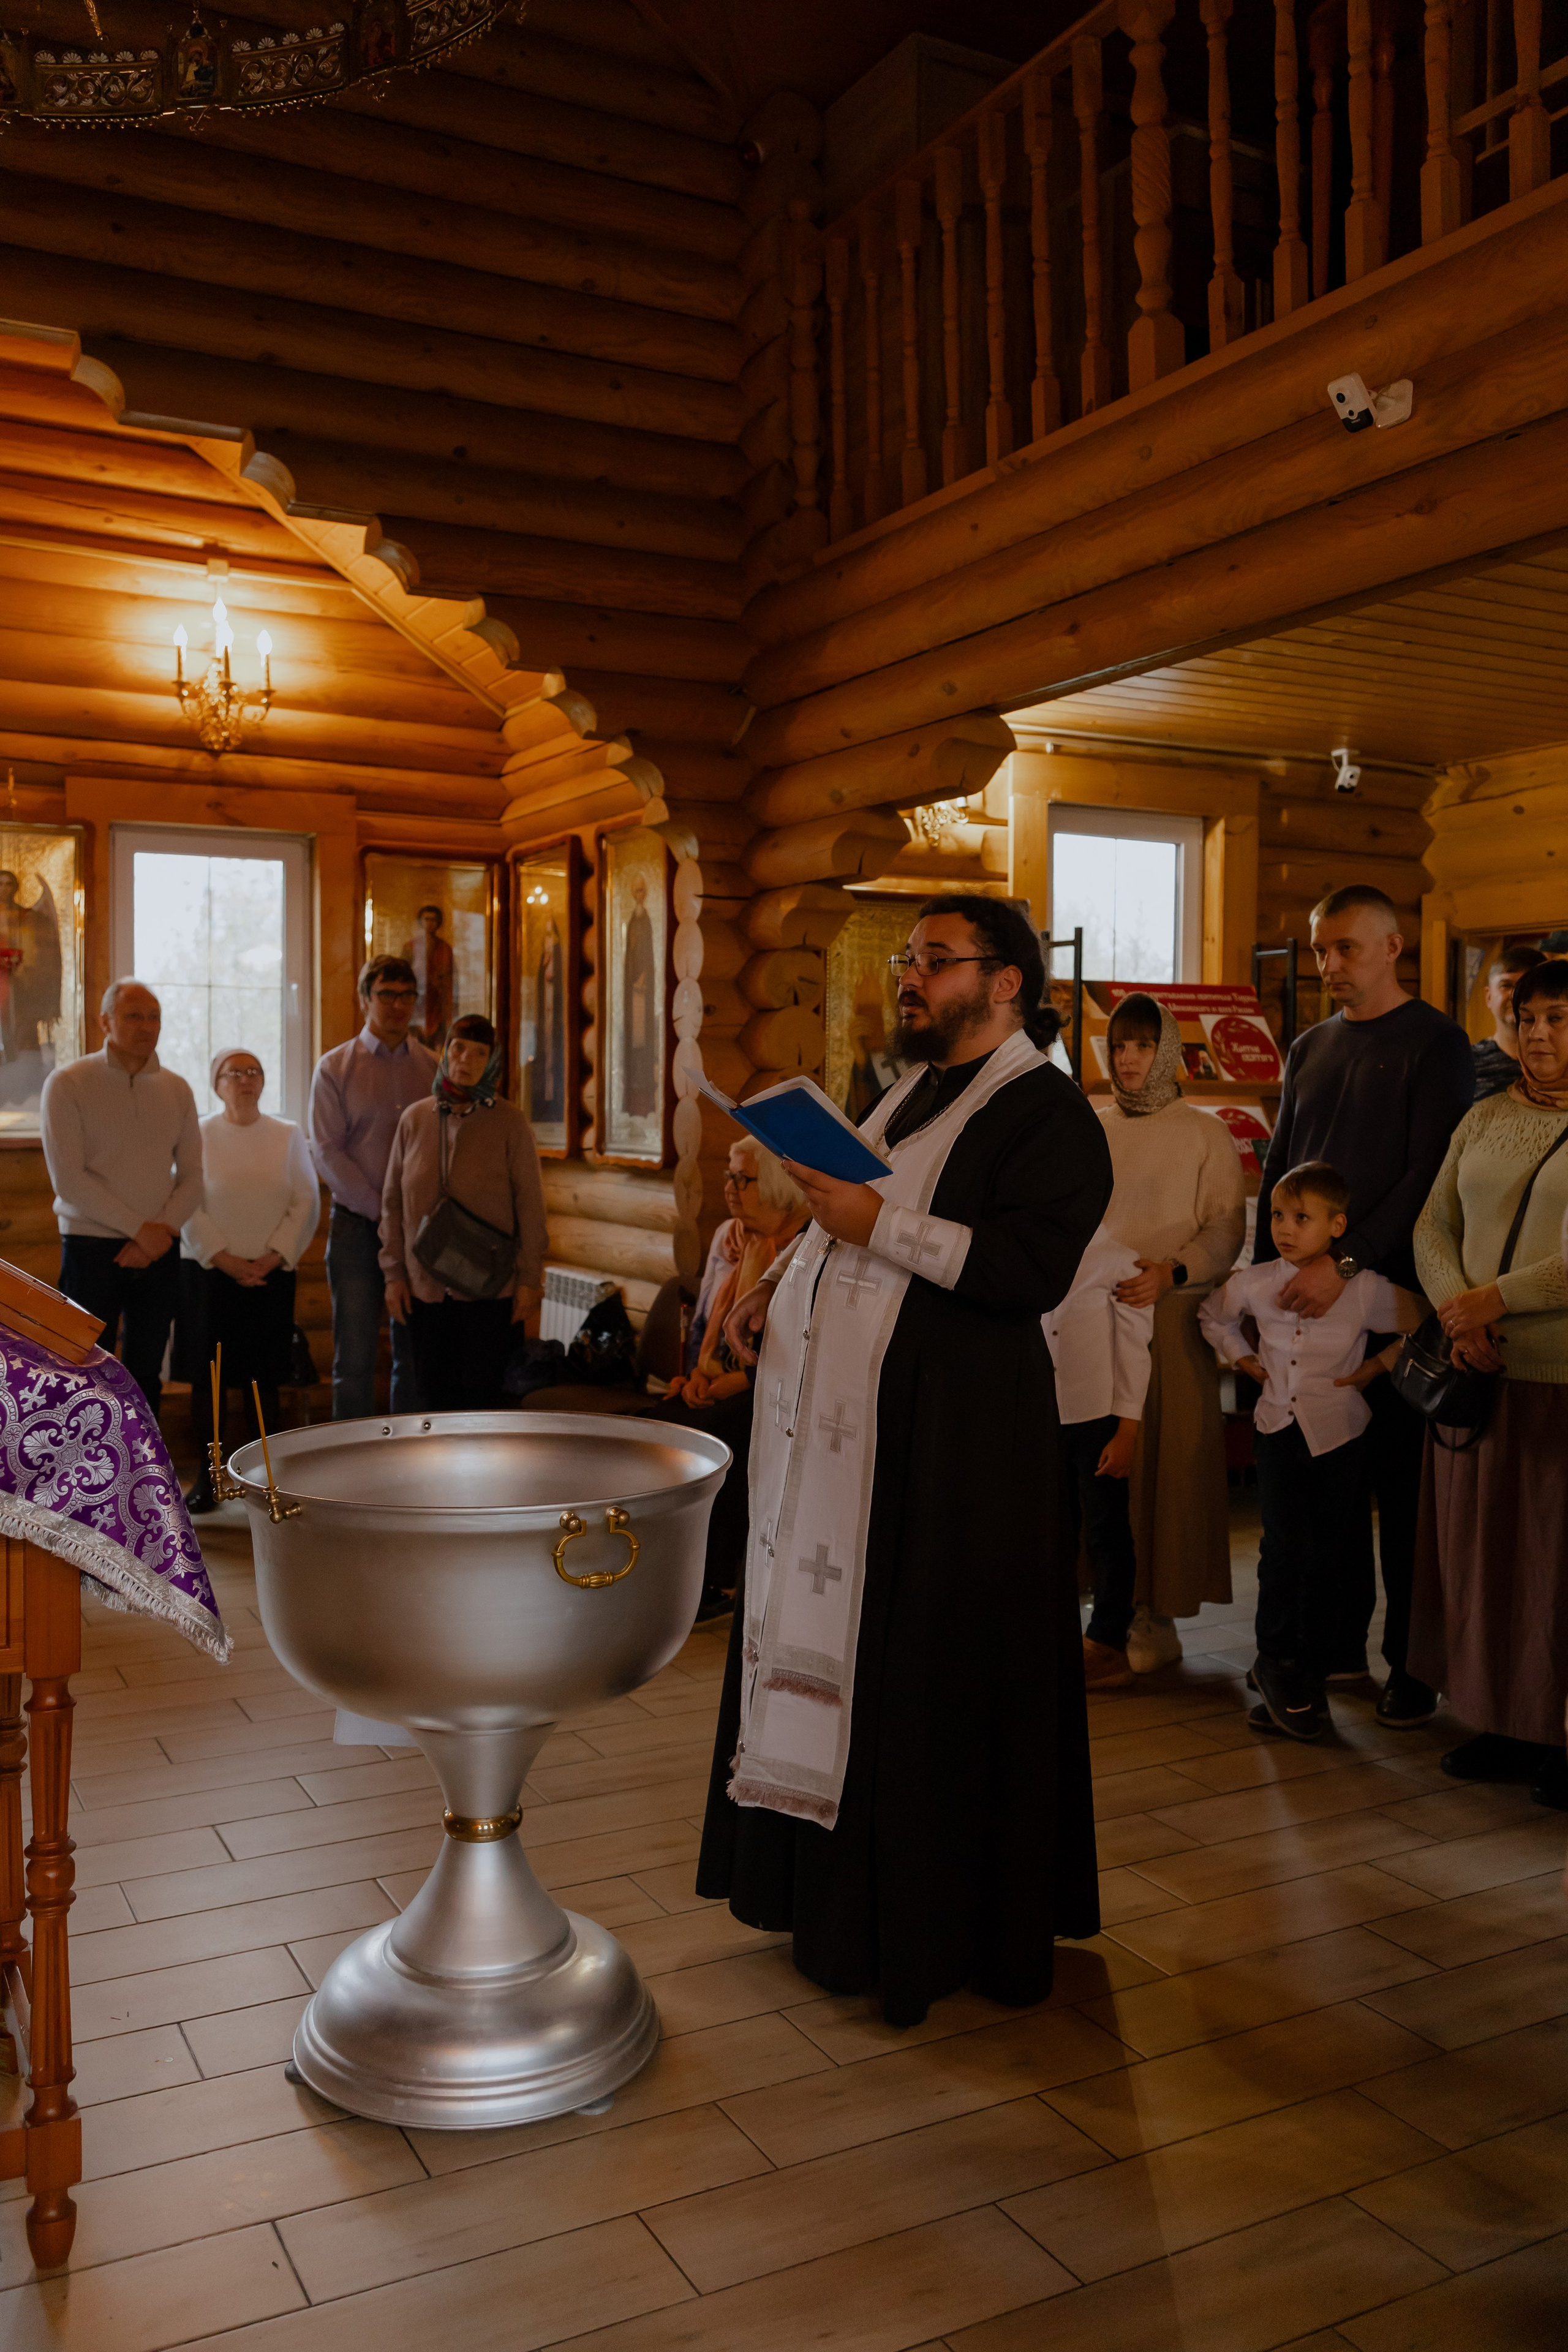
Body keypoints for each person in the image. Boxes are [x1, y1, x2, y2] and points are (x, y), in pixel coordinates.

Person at [696, 893, 1111, 2029]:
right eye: (910, 961)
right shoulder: (911, 1090)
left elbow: (1024, 1271)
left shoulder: (1050, 1115)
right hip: (864, 1442)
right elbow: (844, 1221)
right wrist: (771, 1293)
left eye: (936, 960)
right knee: (868, 1664)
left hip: (961, 1450)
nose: (911, 979)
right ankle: (833, 1906)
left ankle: (931, 1927)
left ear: (1008, 981)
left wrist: (871, 1223)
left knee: (928, 1676)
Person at [1255, 885, 1473, 1725]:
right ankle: (1330, 1649)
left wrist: (1347, 1262)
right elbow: (1282, 1167)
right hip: (1308, 1306)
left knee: (1402, 1496)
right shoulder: (1309, 1046)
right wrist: (1261, 1290)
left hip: (1396, 1303)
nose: (1329, 966)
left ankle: (1412, 1666)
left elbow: (1426, 1177)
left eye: (1345, 948)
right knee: (1325, 1494)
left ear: (1394, 946)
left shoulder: (1437, 1043)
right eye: (1319, 951)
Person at [1410, 959, 1568, 1811]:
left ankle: (1561, 1734)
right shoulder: (1482, 1116)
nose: (1540, 1034)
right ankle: (1506, 1720)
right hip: (1475, 1373)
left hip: (1557, 1379)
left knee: (1554, 1567)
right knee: (1489, 1559)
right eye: (1529, 1016)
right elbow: (1432, 1223)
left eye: (1561, 1018)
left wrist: (1493, 1299)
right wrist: (1458, 1315)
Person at [1202, 1161, 1424, 1742]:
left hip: (1341, 1435)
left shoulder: (1366, 1288)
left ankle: (1313, 1669)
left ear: (1338, 1226)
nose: (1285, 1228)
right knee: (1281, 1551)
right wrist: (1238, 1355)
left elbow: (1426, 1320)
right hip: (1277, 1429)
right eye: (1278, 1215)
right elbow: (1212, 1315)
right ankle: (1275, 1660)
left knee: (1327, 1556)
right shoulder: (1254, 1282)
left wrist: (1380, 1363)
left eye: (1302, 1218)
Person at [1096, 993, 1246, 1671]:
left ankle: (1155, 1612)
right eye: (1119, 1046)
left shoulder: (1204, 1133)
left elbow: (1224, 1229)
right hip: (1094, 1314)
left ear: (1168, 1050)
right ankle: (1106, 1606)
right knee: (1098, 1466)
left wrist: (1173, 1270)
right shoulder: (1090, 1126)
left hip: (1172, 1312)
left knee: (1166, 1468)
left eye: (1142, 1046)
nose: (1128, 1059)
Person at [40, 978, 202, 1415]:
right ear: (105, 1020)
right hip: (92, 1248)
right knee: (84, 1372)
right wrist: (140, 1231)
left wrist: (159, 1233)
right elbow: (69, 1181)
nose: (146, 1026)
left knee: (146, 1372)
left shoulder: (177, 1088)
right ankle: (81, 1480)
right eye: (134, 1016)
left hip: (160, 1248)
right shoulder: (69, 1082)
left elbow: (193, 1179)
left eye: (154, 1017)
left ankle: (141, 1475)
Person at [662, 1138, 809, 1622]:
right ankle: (656, 1569)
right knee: (656, 1427)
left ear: (777, 1188)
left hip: (778, 1390)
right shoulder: (735, 1238)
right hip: (726, 1377)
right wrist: (693, 1376)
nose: (730, 1188)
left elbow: (809, 1342)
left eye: (744, 1180)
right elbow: (705, 1322)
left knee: (715, 1441)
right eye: (729, 1175)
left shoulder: (807, 1248)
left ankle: (706, 1580)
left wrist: (743, 1379)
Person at [176, 1049, 320, 1513]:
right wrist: (222, 1256)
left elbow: (306, 1200)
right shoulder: (197, 1133)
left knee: (265, 1378)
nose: (245, 1080)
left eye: (253, 1071)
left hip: (270, 1274)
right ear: (216, 1083)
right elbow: (184, 1200)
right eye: (234, 1073)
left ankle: (265, 1480)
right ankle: (208, 1477)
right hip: (208, 1272)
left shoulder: (287, 1133)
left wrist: (273, 1255)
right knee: (209, 1378)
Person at [381, 1014, 546, 1412]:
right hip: (424, 1289)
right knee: (431, 1401)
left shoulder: (510, 1123)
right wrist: (393, 1273)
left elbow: (531, 1205)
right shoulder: (414, 1119)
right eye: (458, 1048)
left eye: (479, 1053)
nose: (466, 1059)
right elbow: (392, 1203)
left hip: (490, 1290)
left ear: (492, 1061)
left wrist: (529, 1280)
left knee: (483, 1403)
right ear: (446, 1052)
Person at [309, 955, 437, 1419]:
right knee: (355, 1358)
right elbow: (327, 1151)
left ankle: (409, 1471)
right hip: (357, 1230)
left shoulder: (433, 1067)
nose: (398, 1005)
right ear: (366, 999)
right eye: (387, 994)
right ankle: (351, 1477)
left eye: (407, 995)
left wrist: (407, 1217)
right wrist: (384, 1212)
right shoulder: (335, 1068)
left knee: (414, 1357)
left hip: (420, 1233)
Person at [1044, 1227, 1155, 1691]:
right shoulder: (1030, 1251)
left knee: (1108, 1532)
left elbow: (1134, 1351)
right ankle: (1052, 1639)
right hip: (1043, 1418)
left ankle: (1108, 1642)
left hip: (1099, 1421)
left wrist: (1127, 1428)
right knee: (1052, 1533)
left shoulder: (1118, 1263)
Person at [1471, 944, 1547, 1101]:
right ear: (1489, 997)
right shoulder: (1464, 1063)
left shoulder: (1562, 1061)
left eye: (1527, 986)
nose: (1516, 995)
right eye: (1506, 985)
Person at [402, 903, 454, 1049]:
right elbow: (403, 976)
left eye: (433, 920)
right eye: (426, 919)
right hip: (416, 1001)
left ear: (438, 923)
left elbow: (450, 979)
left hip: (437, 1002)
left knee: (434, 1044)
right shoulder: (410, 947)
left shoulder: (445, 948)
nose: (429, 924)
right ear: (420, 921)